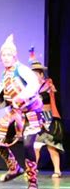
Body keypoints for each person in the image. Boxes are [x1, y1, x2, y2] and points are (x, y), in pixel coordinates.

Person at [0, 34, 44, 189]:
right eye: (3, 55)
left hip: (31, 113)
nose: (5, 58)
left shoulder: (21, 69)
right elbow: (7, 98)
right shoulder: (5, 75)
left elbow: (34, 84)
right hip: (17, 113)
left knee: (27, 145)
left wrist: (21, 96)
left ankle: (32, 180)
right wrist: (12, 114)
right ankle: (15, 168)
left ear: (14, 56)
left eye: (8, 55)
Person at [29, 47, 64, 178]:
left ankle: (57, 170)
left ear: (41, 74)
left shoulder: (48, 84)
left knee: (51, 146)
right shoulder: (31, 88)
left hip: (48, 117)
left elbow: (51, 93)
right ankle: (32, 170)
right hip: (37, 118)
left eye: (35, 73)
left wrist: (33, 58)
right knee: (36, 146)